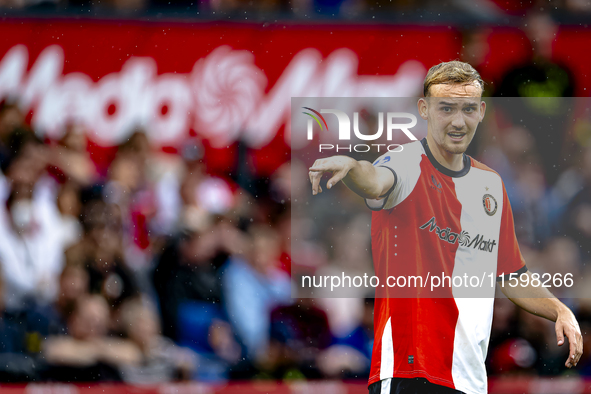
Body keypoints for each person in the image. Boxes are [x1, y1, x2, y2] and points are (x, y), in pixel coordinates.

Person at [308, 61, 583, 394]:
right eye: (446, 108)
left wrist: (559, 309)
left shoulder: (490, 185)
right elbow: (376, 181)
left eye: (467, 109)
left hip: (469, 380)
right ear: (424, 109)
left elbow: (511, 275)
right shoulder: (404, 162)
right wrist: (353, 167)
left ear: (481, 112)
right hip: (409, 372)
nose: (458, 120)